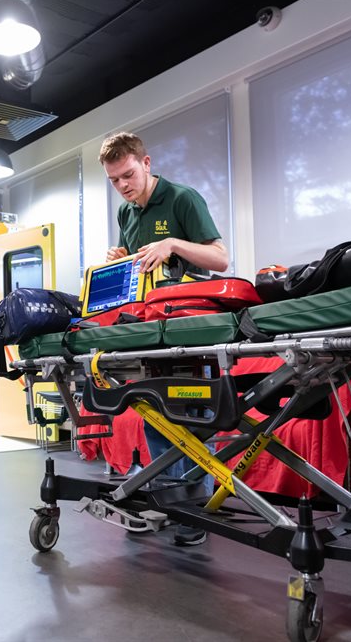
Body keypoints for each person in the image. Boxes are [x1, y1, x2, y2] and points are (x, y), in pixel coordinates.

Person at [100, 131, 229, 546]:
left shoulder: (182, 199)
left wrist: (173, 242)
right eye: (115, 180)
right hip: (149, 329)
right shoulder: (126, 214)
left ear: (147, 163)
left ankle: (196, 510)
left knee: (190, 417)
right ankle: (173, 501)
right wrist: (120, 260)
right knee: (157, 415)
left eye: (128, 174)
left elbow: (222, 259)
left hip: (190, 326)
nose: (123, 185)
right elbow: (137, 271)